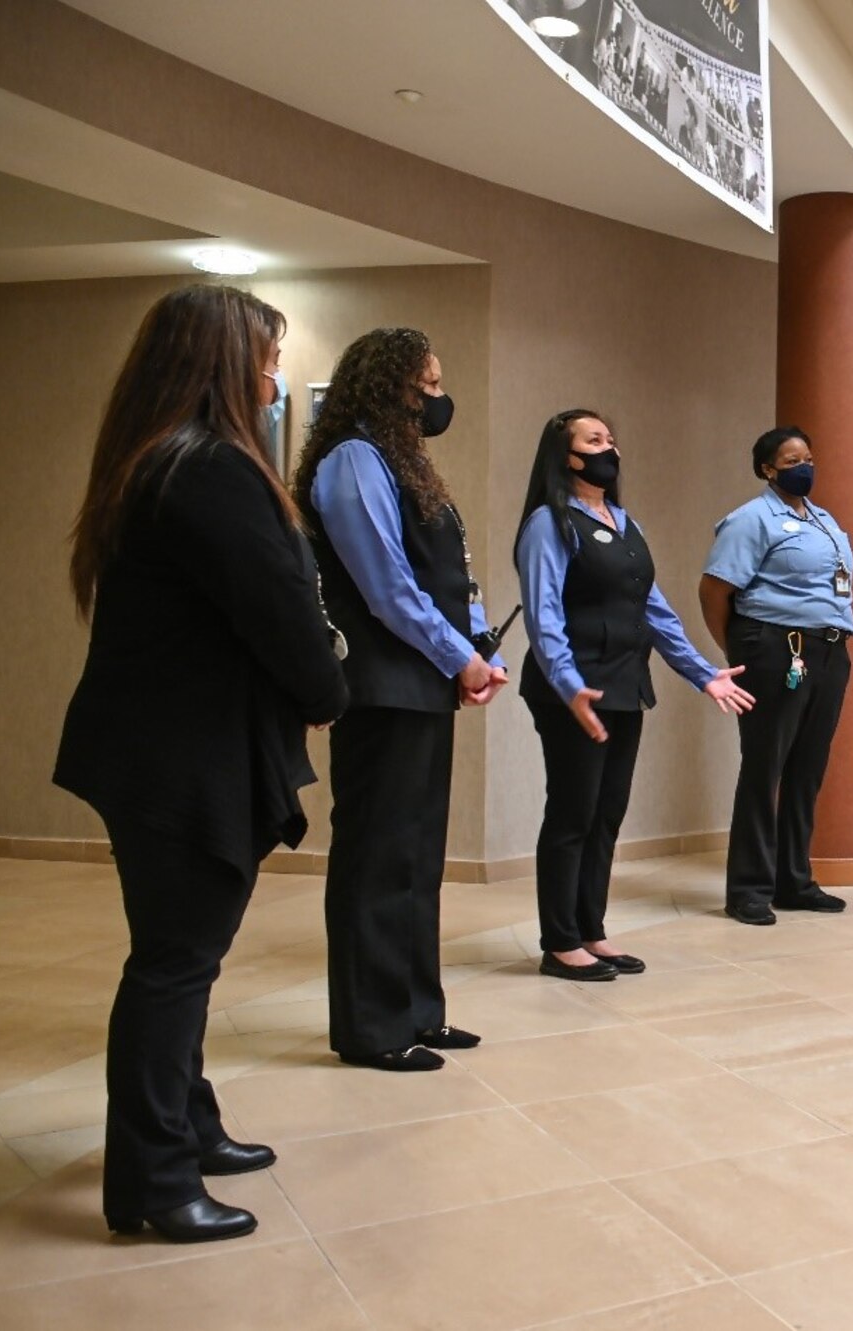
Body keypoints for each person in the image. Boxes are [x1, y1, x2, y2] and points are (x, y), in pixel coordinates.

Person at [55, 285, 348, 1243]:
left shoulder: (158, 461)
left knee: (182, 956)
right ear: (221, 361)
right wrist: (328, 688)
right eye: (266, 357)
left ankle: (187, 1125)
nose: (273, 375)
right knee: (174, 965)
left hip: (156, 746)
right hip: (180, 756)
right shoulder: (210, 469)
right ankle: (153, 1179)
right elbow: (276, 611)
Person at [295, 328, 507, 1072]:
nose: (437, 398)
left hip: (425, 683)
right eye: (428, 385)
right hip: (382, 685)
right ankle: (372, 1025)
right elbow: (386, 587)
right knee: (377, 858)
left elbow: (453, 576)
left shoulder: (410, 466)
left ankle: (419, 1010)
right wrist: (459, 657)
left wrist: (481, 653)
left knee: (417, 857)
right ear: (389, 385)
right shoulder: (353, 459)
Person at [515, 409, 755, 979]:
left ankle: (591, 930)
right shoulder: (550, 523)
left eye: (611, 439)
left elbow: (656, 611)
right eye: (594, 439)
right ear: (566, 455)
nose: (608, 447)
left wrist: (703, 673)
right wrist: (569, 685)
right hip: (571, 689)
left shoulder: (626, 523)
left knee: (606, 814)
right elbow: (543, 613)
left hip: (626, 685)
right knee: (573, 813)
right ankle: (559, 941)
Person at [698, 427, 853, 925]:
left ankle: (795, 880)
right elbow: (713, 590)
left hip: (830, 651)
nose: (803, 465)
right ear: (768, 468)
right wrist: (742, 649)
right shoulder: (751, 519)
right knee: (764, 768)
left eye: (809, 456)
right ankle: (748, 887)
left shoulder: (826, 520)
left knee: (806, 772)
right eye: (791, 459)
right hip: (774, 650)